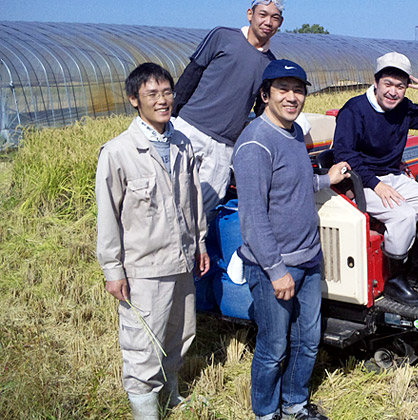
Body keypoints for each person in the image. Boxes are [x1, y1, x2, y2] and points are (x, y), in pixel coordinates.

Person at [233, 59, 349, 420]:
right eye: (283, 89)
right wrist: (275, 270)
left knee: (307, 341)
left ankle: (295, 405)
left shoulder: (295, 134)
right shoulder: (255, 144)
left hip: (309, 259)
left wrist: (327, 180)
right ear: (265, 95)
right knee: (273, 347)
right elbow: (252, 217)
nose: (292, 96)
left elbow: (296, 185)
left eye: (298, 90)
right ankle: (267, 413)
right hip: (276, 266)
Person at [95, 63, 210, 420]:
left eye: (167, 93)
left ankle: (171, 393)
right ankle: (146, 411)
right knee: (143, 345)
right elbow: (108, 215)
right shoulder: (118, 151)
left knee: (180, 334)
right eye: (152, 94)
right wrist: (113, 269)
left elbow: (193, 199)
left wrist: (200, 243)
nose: (163, 101)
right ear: (134, 100)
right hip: (144, 267)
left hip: (181, 260)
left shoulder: (181, 143)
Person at [332, 51, 418, 307]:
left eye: (400, 86)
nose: (393, 92)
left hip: (393, 177)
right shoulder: (354, 110)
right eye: (388, 84)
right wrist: (376, 184)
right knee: (403, 215)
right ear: (376, 82)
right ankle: (395, 279)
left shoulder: (404, 108)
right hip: (359, 181)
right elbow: (343, 154)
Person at [172, 0, 283, 216]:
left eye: (275, 17)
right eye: (263, 14)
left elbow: (262, 109)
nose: (268, 22)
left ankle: (198, 248)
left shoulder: (270, 64)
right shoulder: (222, 36)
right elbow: (191, 73)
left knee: (205, 209)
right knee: (173, 196)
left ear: (280, 23)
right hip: (190, 129)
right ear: (250, 14)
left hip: (224, 146)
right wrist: (171, 118)